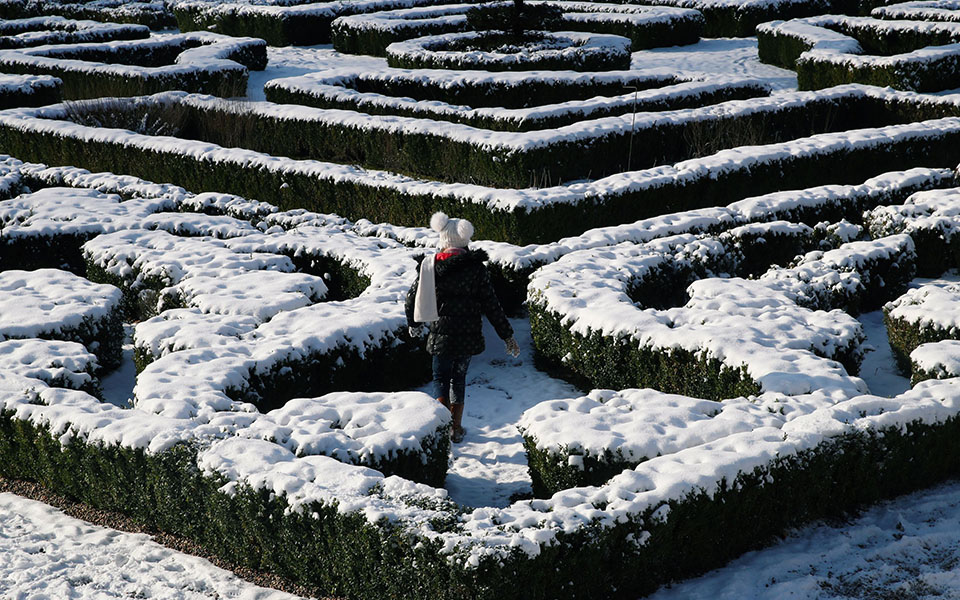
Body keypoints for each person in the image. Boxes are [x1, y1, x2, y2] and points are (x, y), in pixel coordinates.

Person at [406, 212, 520, 444]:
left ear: (443, 240)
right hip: (467, 337)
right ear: (464, 241)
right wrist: (507, 335)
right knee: (458, 379)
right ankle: (456, 428)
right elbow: (492, 305)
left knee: (440, 377)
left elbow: (412, 299)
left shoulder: (429, 268)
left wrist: (413, 323)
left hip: (440, 336)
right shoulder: (477, 270)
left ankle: (442, 426)